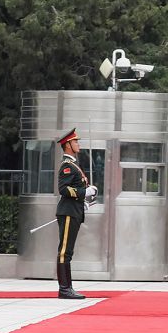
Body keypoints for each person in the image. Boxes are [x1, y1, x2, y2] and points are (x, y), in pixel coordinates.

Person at [53, 127, 92, 300]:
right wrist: (85, 193)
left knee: (68, 251)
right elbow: (63, 189)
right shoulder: (67, 166)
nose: (78, 144)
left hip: (74, 210)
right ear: (68, 144)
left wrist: (84, 200)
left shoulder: (74, 164)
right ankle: (64, 289)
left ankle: (67, 288)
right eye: (75, 141)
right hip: (68, 212)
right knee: (64, 251)